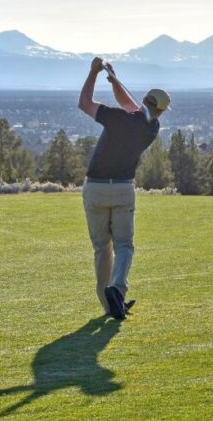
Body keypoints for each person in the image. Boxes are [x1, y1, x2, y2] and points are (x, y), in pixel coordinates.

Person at [77, 56, 171, 319]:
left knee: (101, 248)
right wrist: (114, 79)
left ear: (144, 101)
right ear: (161, 111)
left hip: (95, 188)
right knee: (124, 246)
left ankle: (109, 305)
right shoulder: (152, 128)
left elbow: (84, 103)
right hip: (122, 189)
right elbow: (130, 105)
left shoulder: (117, 118)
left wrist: (93, 73)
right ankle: (117, 292)